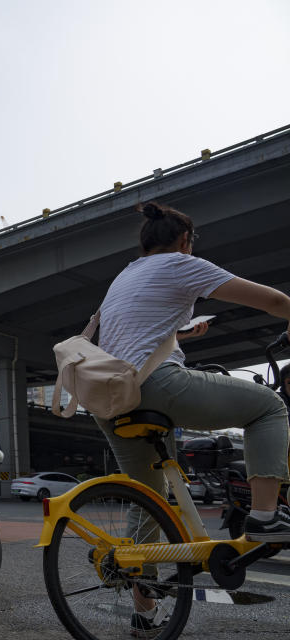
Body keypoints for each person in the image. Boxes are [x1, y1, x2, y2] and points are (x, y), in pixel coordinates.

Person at [94, 201, 290, 634]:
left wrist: (181, 335)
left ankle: (144, 612)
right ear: (184, 241)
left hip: (111, 398)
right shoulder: (182, 264)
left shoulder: (125, 275)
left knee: (149, 500)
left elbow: (134, 333)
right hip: (157, 384)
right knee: (268, 407)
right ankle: (263, 516)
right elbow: (273, 300)